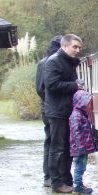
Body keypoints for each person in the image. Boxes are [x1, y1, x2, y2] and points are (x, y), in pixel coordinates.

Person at [44, 34, 84, 193]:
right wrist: (75, 86)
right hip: (57, 111)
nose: (77, 50)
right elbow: (52, 85)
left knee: (67, 148)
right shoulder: (54, 61)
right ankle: (57, 182)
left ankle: (66, 180)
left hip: (66, 110)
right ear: (65, 46)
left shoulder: (67, 62)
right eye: (75, 47)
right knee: (58, 148)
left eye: (79, 47)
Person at [35, 35, 62, 187]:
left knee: (53, 142)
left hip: (49, 107)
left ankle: (52, 176)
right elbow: (40, 88)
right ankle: (49, 176)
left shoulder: (46, 62)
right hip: (50, 108)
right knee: (51, 142)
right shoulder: (46, 63)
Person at [69, 89, 98, 194]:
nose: (88, 106)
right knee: (79, 166)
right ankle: (77, 186)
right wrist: (80, 146)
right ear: (80, 103)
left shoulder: (80, 114)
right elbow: (76, 132)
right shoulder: (76, 116)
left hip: (82, 148)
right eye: (86, 104)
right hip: (80, 148)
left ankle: (79, 183)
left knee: (82, 166)